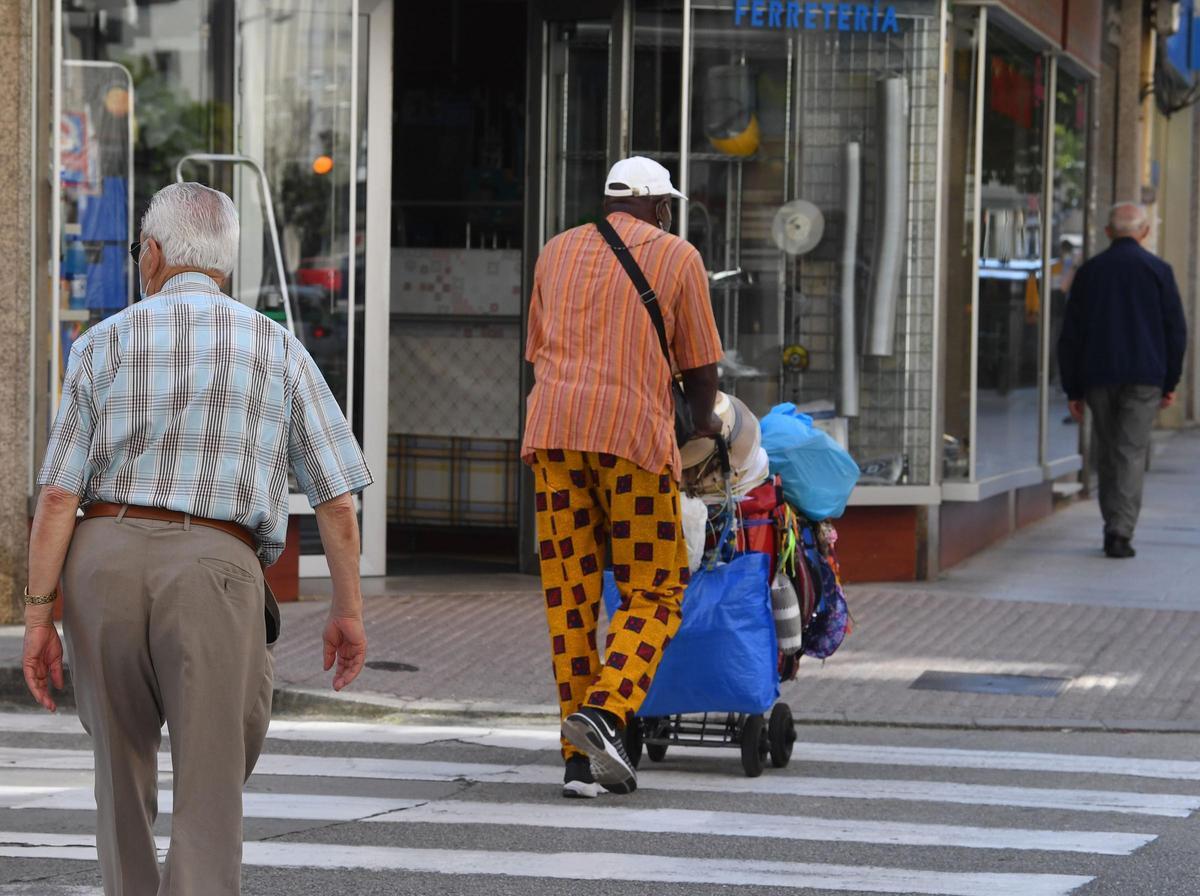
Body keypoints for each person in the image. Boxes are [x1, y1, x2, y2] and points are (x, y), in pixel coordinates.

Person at [22, 182, 373, 894]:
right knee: (214, 772)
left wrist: (38, 615)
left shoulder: (101, 344)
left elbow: (59, 493)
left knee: (118, 769)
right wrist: (348, 610)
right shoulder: (277, 347)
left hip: (103, 560)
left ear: (151, 254)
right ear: (223, 264)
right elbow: (337, 500)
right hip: (218, 566)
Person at [522, 156, 723, 798]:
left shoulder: (554, 252)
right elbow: (700, 367)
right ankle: (607, 713)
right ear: (658, 205)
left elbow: (539, 351)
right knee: (657, 587)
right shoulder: (678, 257)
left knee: (570, 598)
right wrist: (705, 428)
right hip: (631, 441)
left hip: (553, 439)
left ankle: (579, 764)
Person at [1058, 202, 1187, 559]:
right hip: (1145, 377)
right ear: (1144, 232)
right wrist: (1170, 381)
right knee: (1130, 451)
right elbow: (1175, 331)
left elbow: (1071, 333)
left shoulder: (1090, 273)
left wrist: (1073, 387)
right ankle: (1120, 531)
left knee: (1108, 451)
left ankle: (1112, 523)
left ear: (1109, 232)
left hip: (1098, 375)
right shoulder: (1159, 271)